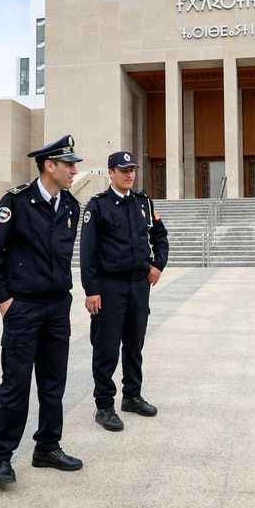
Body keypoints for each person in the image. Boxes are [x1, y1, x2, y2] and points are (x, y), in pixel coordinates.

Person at [0, 135, 85, 486]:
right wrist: (3, 299)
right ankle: (1, 457)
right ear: (49, 165)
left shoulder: (71, 206)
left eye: (75, 164)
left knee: (53, 381)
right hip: (23, 306)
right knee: (15, 383)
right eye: (69, 164)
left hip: (57, 305)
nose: (75, 169)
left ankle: (47, 447)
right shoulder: (16, 202)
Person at [80, 151, 169, 432]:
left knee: (134, 344)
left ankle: (132, 395)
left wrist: (158, 265)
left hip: (138, 286)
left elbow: (160, 235)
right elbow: (87, 253)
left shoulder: (143, 202)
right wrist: (91, 290)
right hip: (109, 287)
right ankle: (104, 405)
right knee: (106, 348)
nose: (129, 174)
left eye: (132, 169)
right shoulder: (98, 206)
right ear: (111, 173)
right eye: (123, 170)